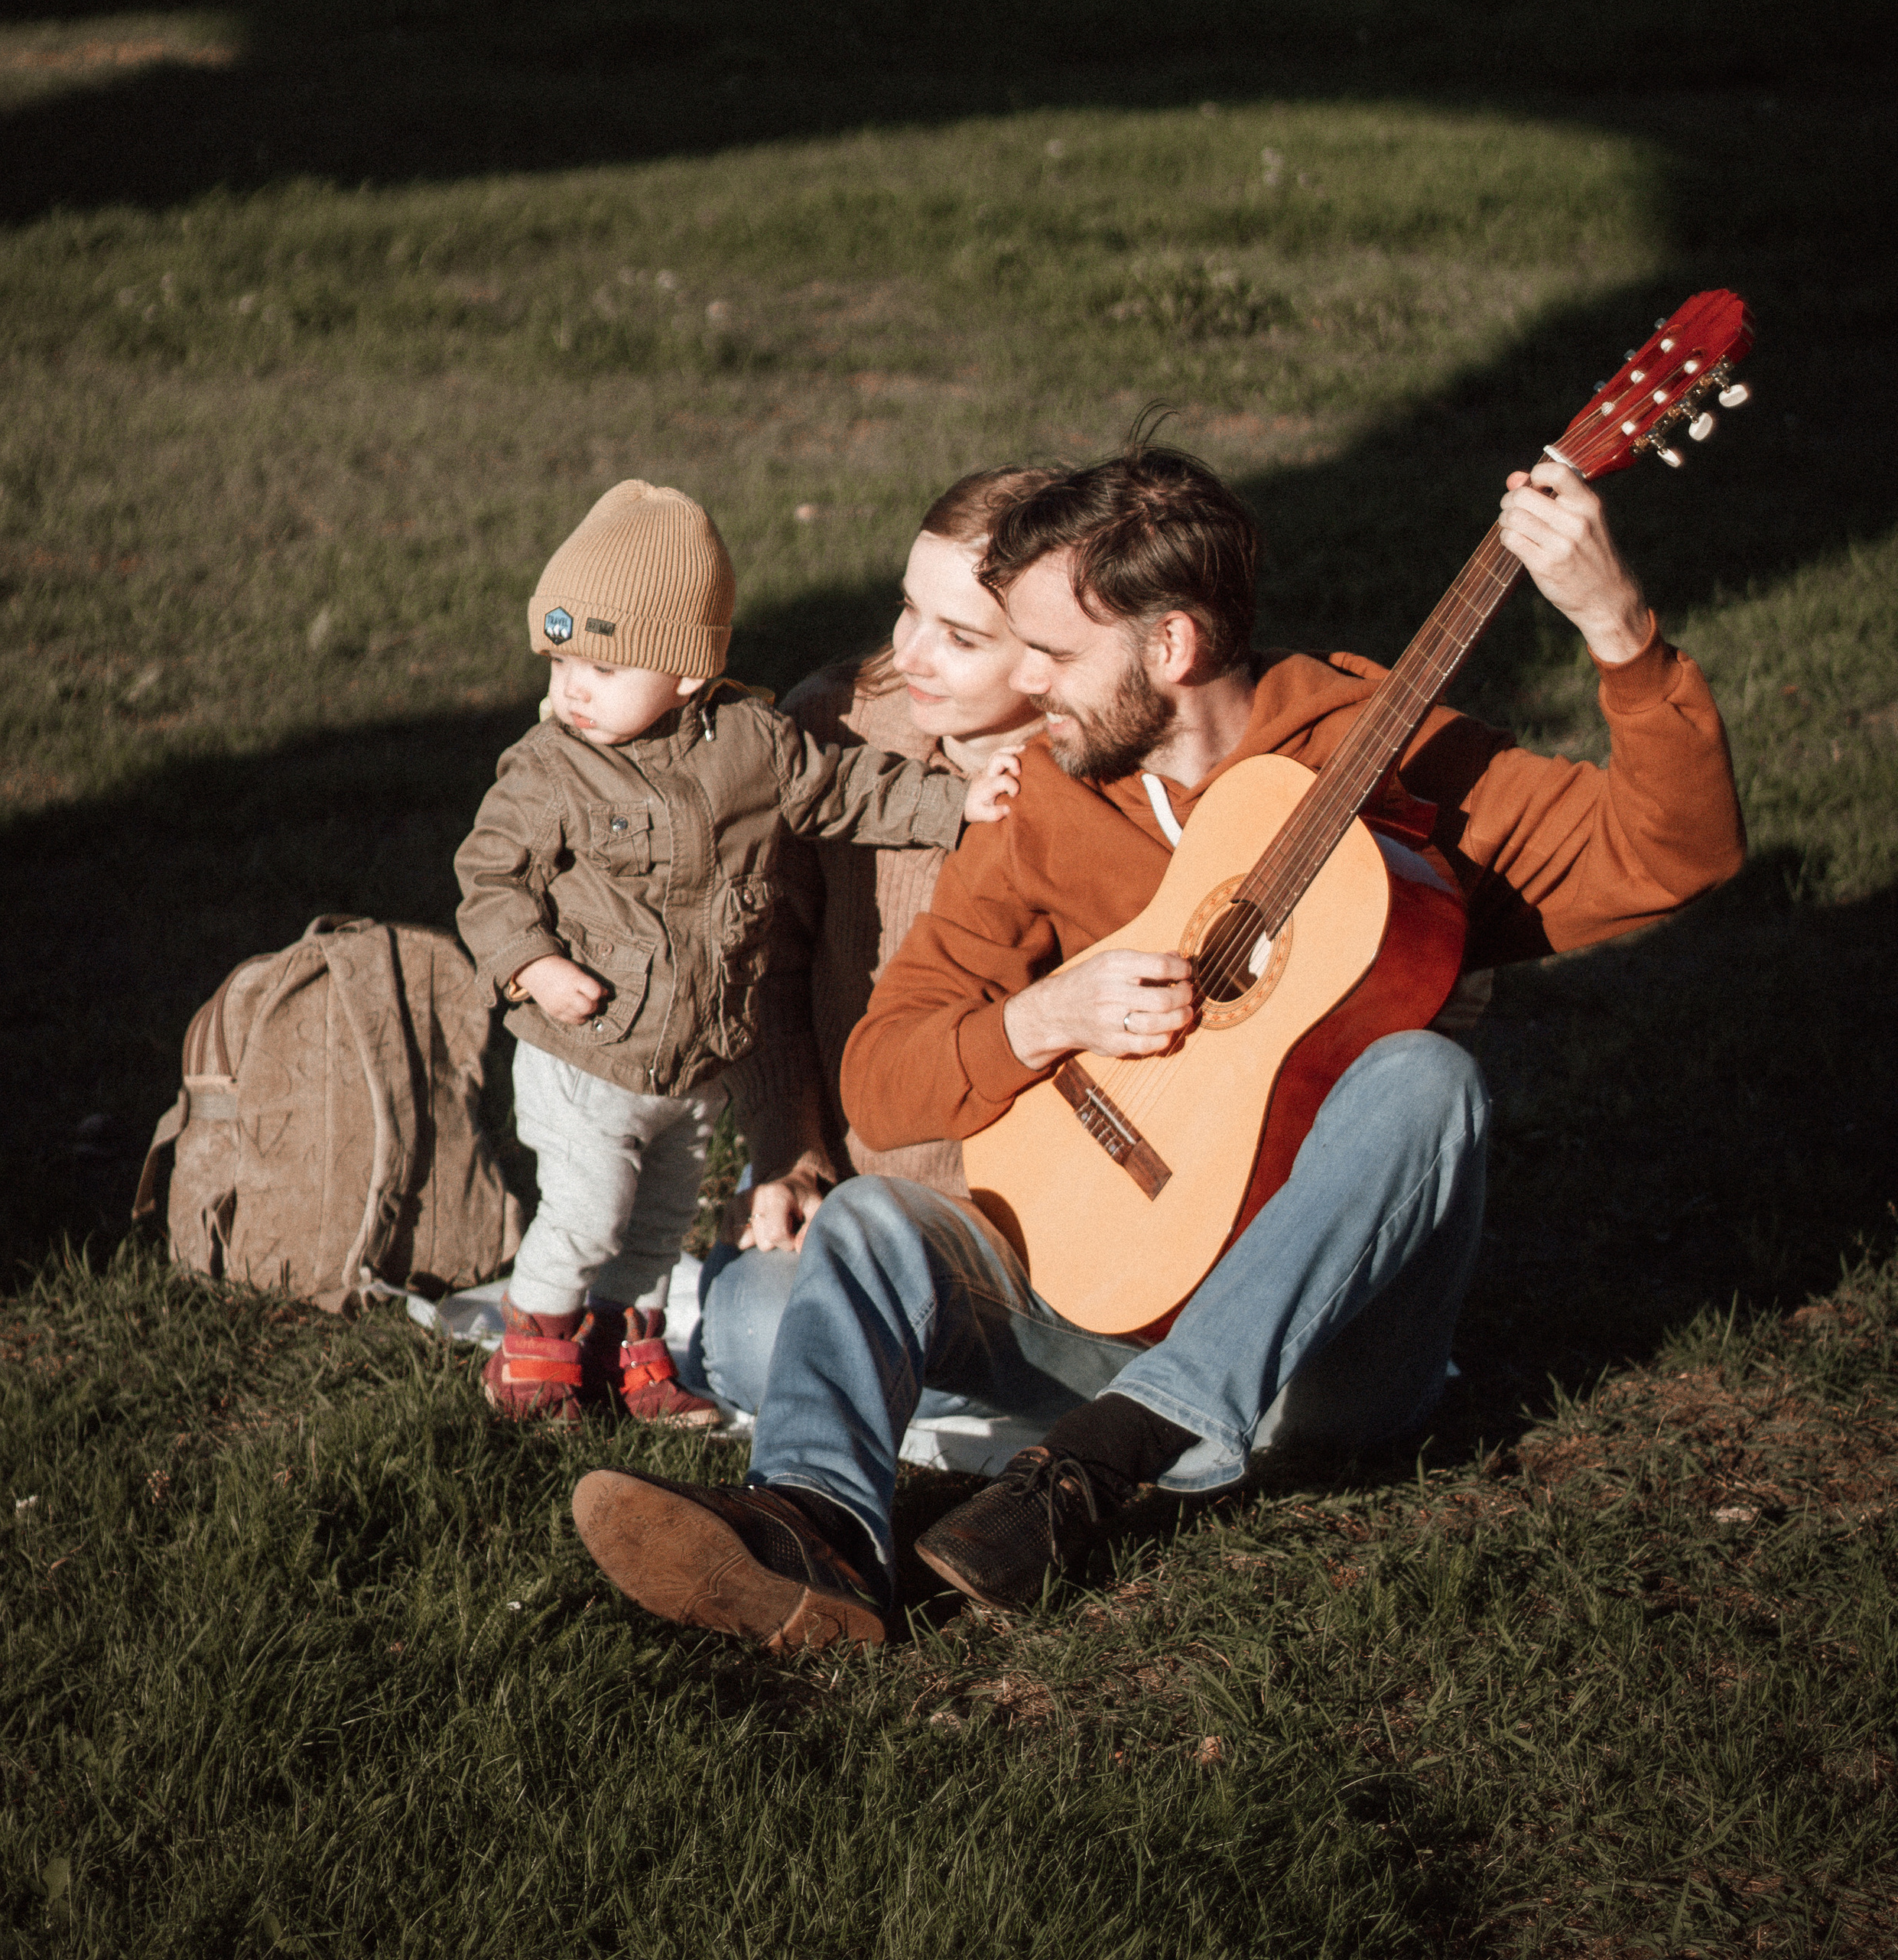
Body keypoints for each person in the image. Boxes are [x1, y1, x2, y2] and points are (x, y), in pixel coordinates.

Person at [570, 443, 1745, 1646]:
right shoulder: (1051, 797)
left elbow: (1674, 854)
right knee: (868, 1233)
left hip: (1318, 1358)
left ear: (1171, 647)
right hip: (1098, 1304)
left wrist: (1621, 635)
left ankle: (1115, 1455)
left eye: (1056, 656)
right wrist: (1044, 1017)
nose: (1028, 686)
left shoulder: (1388, 768)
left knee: (1426, 1079)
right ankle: (813, 1532)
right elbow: (884, 1076)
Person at [453, 478, 1018, 1430]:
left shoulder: (756, 744)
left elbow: (842, 793)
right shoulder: (551, 766)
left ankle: (630, 1354)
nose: (571, 692)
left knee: (659, 1222)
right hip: (584, 1051)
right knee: (588, 1211)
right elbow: (487, 875)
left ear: (685, 672)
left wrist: (951, 806)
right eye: (558, 666)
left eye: (601, 666)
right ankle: (531, 1357)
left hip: (692, 1062)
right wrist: (529, 965)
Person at [687, 465, 1053, 1415]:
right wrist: (787, 1149)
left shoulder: (1104, 769)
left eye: (961, 636)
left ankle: (960, 1373)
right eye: (907, 609)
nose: (913, 655)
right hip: (857, 1194)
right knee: (759, 1345)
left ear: (1055, 655)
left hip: (1045, 1222)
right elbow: (766, 968)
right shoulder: (831, 729)